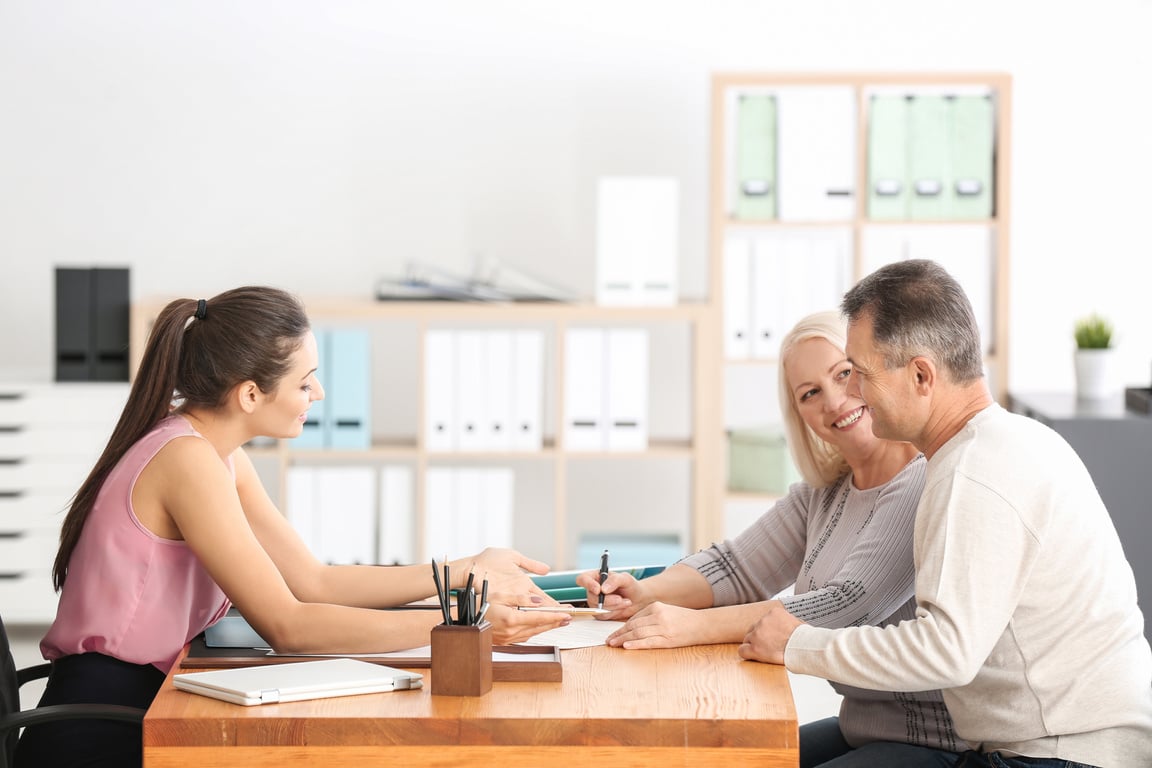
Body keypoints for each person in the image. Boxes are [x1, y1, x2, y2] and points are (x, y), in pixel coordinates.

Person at [15, 286, 569, 768]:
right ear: (251, 394)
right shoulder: (187, 460)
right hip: (102, 732)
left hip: (150, 706)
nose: (319, 395)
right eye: (306, 383)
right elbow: (289, 625)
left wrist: (461, 572)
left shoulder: (217, 454)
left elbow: (313, 582)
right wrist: (461, 630)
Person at [739, 260, 1152, 768]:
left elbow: (945, 651)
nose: (853, 396)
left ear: (920, 375)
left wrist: (798, 646)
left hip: (1058, 755)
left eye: (860, 375)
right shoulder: (1007, 441)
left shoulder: (969, 474)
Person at [580, 310, 964, 767]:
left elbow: (845, 606)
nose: (835, 401)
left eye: (844, 374)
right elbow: (737, 566)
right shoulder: (823, 496)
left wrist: (692, 626)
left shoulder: (920, 482)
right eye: (810, 394)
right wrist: (646, 592)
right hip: (864, 726)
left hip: (938, 743)